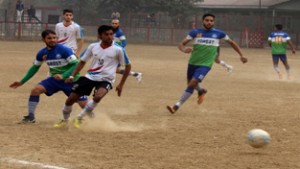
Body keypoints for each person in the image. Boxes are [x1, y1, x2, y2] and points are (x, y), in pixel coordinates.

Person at [166, 13, 248, 114]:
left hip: (205, 65)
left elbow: (232, 43)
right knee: (191, 84)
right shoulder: (195, 32)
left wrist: (241, 55)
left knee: (192, 83)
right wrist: (183, 50)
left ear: (214, 22)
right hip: (192, 63)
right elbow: (181, 44)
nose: (209, 22)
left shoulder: (219, 33)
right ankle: (201, 91)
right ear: (203, 21)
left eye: (211, 20)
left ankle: (176, 106)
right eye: (207, 20)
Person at [54, 25, 131, 128]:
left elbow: (128, 66)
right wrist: (72, 76)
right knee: (70, 99)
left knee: (98, 97)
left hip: (106, 79)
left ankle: (79, 118)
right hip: (90, 77)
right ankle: (65, 120)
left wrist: (121, 84)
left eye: (111, 34)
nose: (110, 37)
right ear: (100, 35)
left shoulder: (119, 49)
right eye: (106, 34)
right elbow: (82, 62)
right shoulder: (92, 46)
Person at [9, 29, 88, 124]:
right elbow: (34, 68)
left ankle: (94, 121)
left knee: (84, 104)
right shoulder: (42, 53)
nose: (52, 40)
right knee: (35, 90)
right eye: (49, 38)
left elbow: (76, 64)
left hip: (71, 80)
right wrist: (22, 81)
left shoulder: (64, 50)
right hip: (55, 80)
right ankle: (30, 117)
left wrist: (64, 75)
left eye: (54, 38)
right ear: (43, 40)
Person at [111, 19, 143, 83]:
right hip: (112, 53)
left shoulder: (120, 33)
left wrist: (119, 49)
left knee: (112, 68)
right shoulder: (111, 31)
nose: (114, 25)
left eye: (116, 23)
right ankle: (136, 74)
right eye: (113, 23)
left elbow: (124, 43)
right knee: (114, 69)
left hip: (118, 54)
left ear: (118, 24)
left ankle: (109, 81)